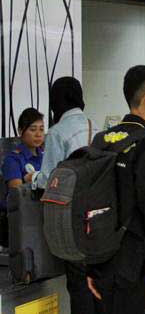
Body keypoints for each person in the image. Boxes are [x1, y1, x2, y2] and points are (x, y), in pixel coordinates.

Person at [86, 66, 145, 312]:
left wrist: (90, 266)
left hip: (101, 259)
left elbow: (89, 203)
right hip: (132, 265)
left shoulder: (101, 140)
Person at [31, 77, 99, 314]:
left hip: (72, 221)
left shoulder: (57, 133)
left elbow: (49, 179)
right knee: (96, 282)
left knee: (78, 284)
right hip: (98, 220)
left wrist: (33, 180)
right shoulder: (94, 126)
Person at [2, 108, 45, 189]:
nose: (38, 134)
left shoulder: (46, 155)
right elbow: (17, 194)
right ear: (20, 131)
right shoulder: (12, 159)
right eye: (33, 129)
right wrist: (27, 180)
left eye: (41, 129)